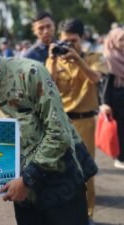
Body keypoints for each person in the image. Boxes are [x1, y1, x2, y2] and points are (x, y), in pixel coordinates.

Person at [0, 18, 94, 225]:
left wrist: (28, 179)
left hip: (59, 185)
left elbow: (59, 133)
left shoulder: (30, 72)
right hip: (24, 194)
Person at [45, 18, 108, 220]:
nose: (69, 45)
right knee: (59, 170)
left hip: (85, 121)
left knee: (85, 171)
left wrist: (78, 60)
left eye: (73, 41)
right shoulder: (55, 58)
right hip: (60, 122)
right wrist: (53, 60)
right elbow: (48, 85)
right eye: (65, 41)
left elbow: (97, 78)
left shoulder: (94, 57)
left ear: (82, 39)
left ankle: (87, 214)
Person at [100, 27, 124, 169]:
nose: (123, 43)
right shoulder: (110, 58)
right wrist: (105, 103)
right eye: (120, 39)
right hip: (116, 100)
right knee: (120, 130)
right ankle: (120, 158)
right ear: (113, 41)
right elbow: (106, 84)